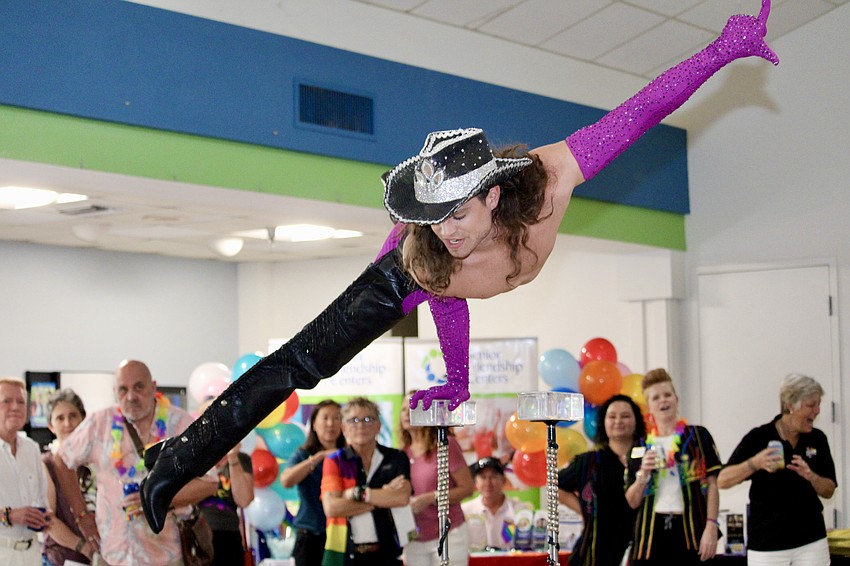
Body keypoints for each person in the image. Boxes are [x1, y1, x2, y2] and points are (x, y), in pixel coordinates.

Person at [140, 1, 780, 533]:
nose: (447, 231)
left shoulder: (552, 178)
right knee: (301, 362)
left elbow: (642, 111)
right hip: (397, 272)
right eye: (434, 217)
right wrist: (458, 380)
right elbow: (447, 298)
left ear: (493, 196)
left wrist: (724, 49)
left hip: (487, 232)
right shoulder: (424, 253)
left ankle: (177, 456)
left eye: (458, 215)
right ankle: (178, 459)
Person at [57, 360, 218, 565]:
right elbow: (61, 460)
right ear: (115, 392)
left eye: (139, 387)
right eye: (123, 390)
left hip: (166, 555)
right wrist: (81, 515)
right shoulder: (99, 423)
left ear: (153, 387)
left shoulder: (180, 424)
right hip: (114, 554)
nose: (131, 396)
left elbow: (210, 482)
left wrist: (158, 499)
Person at [717, 374, 836, 566]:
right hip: (767, 545)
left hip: (811, 541)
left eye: (818, 405)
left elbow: (829, 490)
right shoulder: (759, 437)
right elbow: (722, 480)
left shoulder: (817, 439)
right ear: (790, 405)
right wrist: (755, 463)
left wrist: (811, 476)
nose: (817, 411)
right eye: (811, 405)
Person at [625, 369, 721, 565]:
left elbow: (712, 484)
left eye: (667, 394)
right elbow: (632, 502)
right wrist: (643, 473)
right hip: (650, 535)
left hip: (690, 530)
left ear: (676, 400)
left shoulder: (698, 436)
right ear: (649, 407)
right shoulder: (640, 446)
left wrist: (711, 526)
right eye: (656, 397)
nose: (663, 400)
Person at [320, 397, 411, 566]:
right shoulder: (335, 461)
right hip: (346, 555)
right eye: (354, 420)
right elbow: (332, 508)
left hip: (387, 553)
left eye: (368, 419)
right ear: (344, 428)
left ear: (379, 426)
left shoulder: (396, 458)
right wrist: (382, 498)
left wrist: (352, 494)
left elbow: (401, 498)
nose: (361, 425)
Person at [558, 394, 645, 566]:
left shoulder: (648, 458)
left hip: (638, 546)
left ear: (636, 421)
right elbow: (555, 486)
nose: (618, 421)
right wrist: (584, 509)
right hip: (595, 550)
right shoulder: (589, 462)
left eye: (625, 416)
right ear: (603, 423)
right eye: (612, 416)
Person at [400, 391, 474, 565]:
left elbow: (467, 489)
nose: (407, 413)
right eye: (403, 409)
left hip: (448, 534)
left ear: (427, 412)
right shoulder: (401, 452)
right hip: (414, 537)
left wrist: (431, 497)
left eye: (413, 408)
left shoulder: (445, 444)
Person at [280, 399, 345, 566]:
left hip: (342, 534)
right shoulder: (303, 454)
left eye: (336, 418)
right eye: (325, 418)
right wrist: (318, 458)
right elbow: (286, 480)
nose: (331, 424)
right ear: (314, 424)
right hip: (310, 535)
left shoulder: (349, 455)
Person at [0, 376, 52, 566]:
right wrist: (8, 516)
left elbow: (41, 499)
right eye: (6, 401)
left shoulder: (31, 448)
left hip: (32, 554)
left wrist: (44, 516)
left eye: (21, 402)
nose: (15, 407)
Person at [42, 389, 97, 566]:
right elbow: (47, 519)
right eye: (60, 418)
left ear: (83, 419)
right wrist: (85, 548)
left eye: (73, 416)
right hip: (63, 558)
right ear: (51, 426)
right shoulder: (47, 463)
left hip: (104, 554)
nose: (67, 423)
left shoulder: (97, 458)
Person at [197, 442, 254, 566]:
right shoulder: (197, 459)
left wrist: (233, 458)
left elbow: (244, 500)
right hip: (198, 534)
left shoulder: (241, 459)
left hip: (228, 534)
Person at [462, 457, 532, 552]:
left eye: (493, 477)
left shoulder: (519, 510)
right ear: (475, 482)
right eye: (483, 477)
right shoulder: (465, 511)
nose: (488, 483)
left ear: (503, 480)